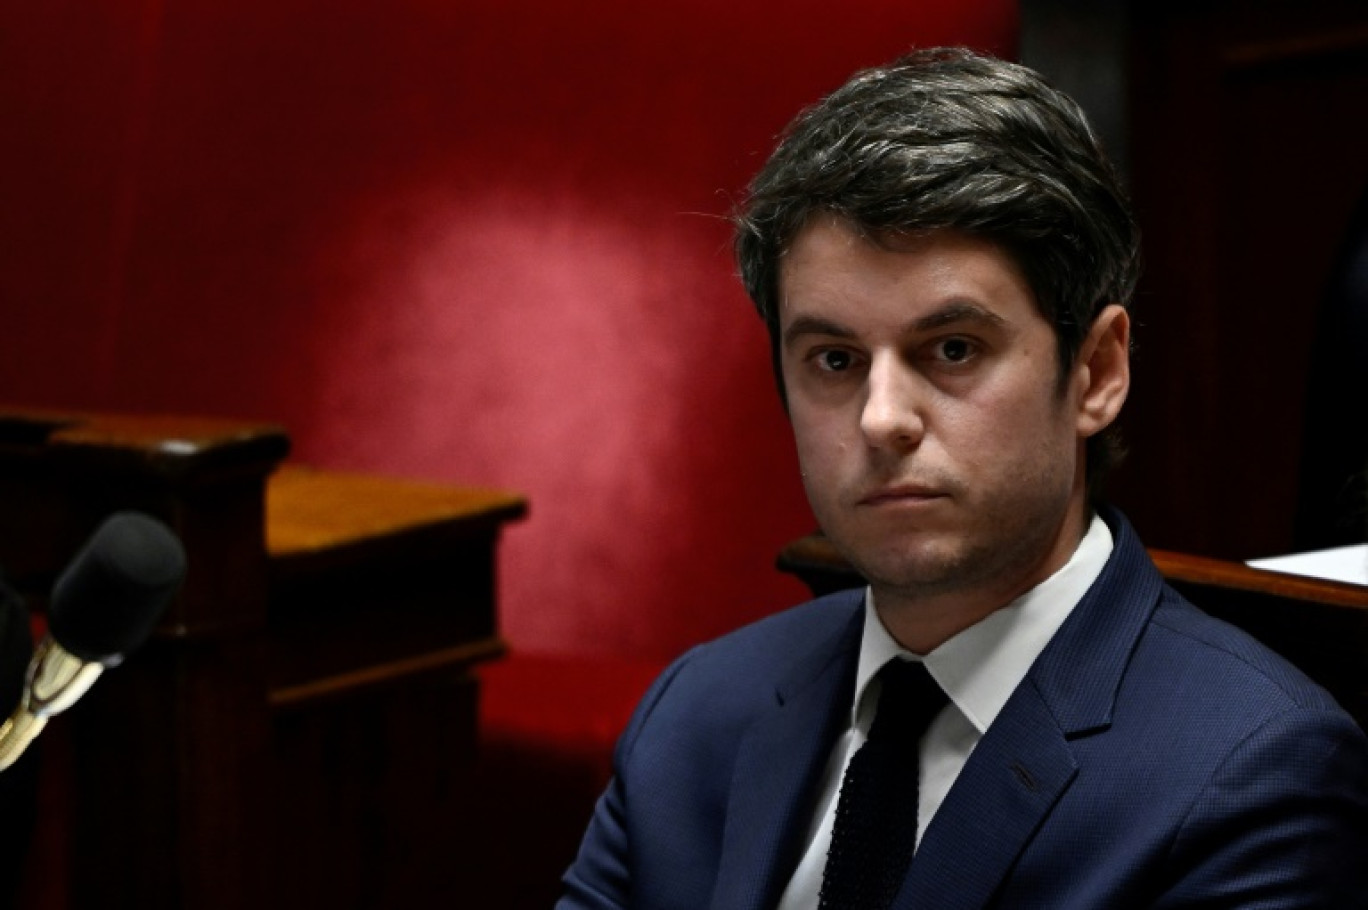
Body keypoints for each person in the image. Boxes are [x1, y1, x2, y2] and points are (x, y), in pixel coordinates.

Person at [557, 47, 1368, 909]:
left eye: (952, 350)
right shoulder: (696, 713)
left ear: (1096, 372)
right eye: (834, 360)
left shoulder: (1252, 773)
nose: (881, 418)